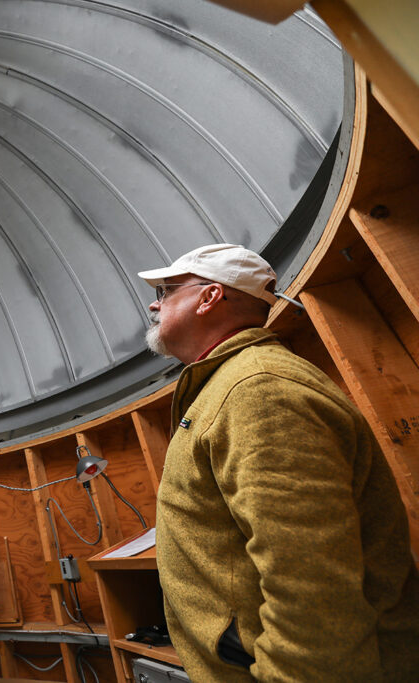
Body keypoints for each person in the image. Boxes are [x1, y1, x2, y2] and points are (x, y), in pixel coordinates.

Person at [137, 243, 419, 681]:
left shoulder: (258, 388)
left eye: (167, 289)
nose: (156, 302)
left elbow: (312, 586)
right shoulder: (232, 383)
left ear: (209, 297)